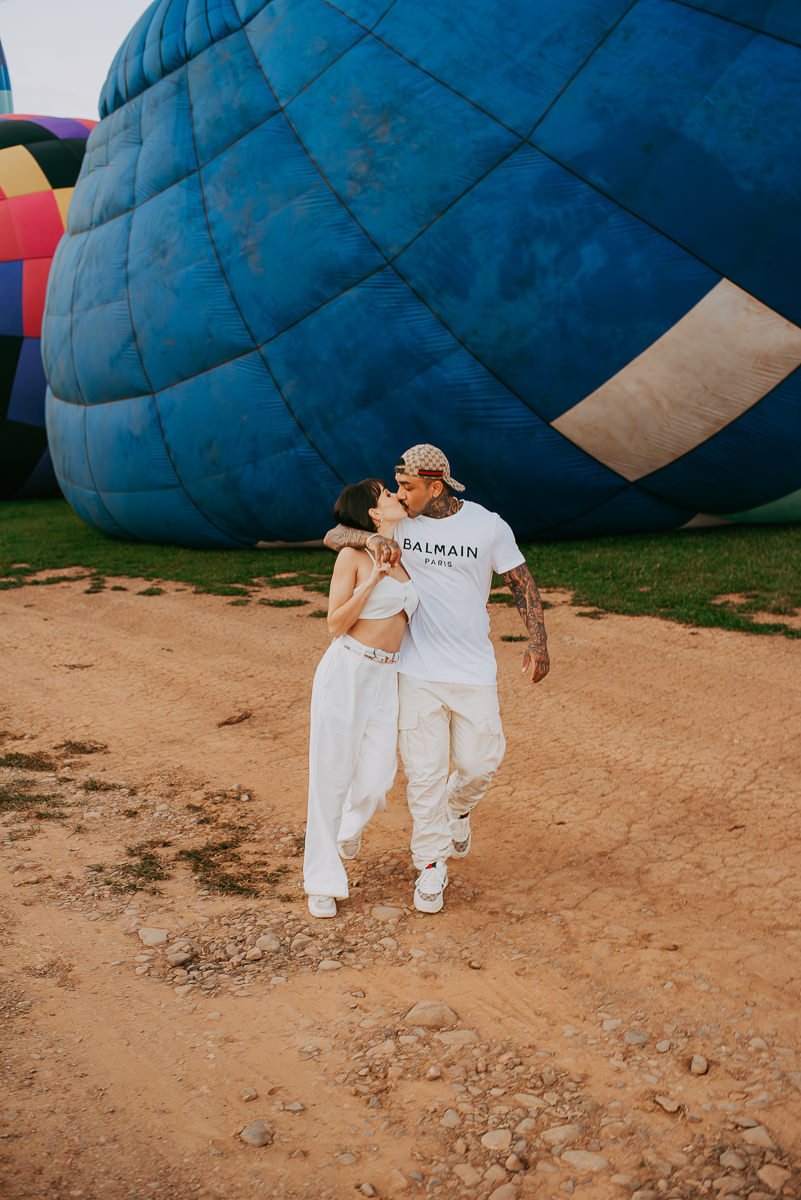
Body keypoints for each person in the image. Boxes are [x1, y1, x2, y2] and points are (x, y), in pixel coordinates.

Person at [324, 444, 549, 914]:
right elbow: (334, 532)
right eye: (397, 487)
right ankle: (430, 866)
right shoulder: (399, 519)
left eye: (408, 487)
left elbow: (521, 582)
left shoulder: (487, 525)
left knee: (481, 763)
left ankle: (460, 807)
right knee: (423, 777)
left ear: (436, 486)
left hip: (472, 669)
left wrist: (537, 640)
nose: (400, 496)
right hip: (416, 670)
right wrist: (369, 541)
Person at [304, 478, 418, 918]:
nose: (394, 495)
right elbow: (335, 624)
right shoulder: (353, 558)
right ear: (372, 513)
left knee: (377, 780)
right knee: (330, 777)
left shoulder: (403, 554)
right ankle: (321, 880)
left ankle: (348, 827)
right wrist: (370, 582)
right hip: (348, 670)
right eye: (386, 493)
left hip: (386, 678)